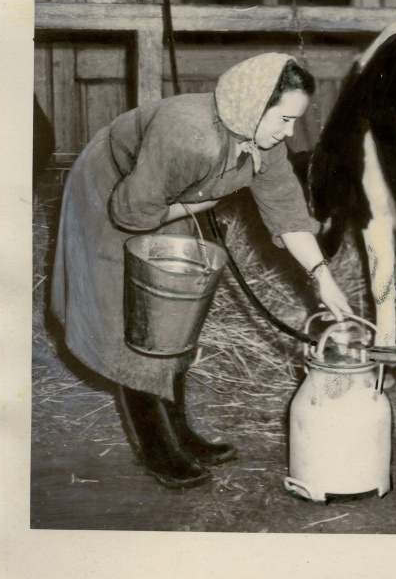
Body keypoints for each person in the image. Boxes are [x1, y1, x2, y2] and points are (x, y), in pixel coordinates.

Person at [51, 53, 349, 489]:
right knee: (135, 324)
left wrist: (324, 277)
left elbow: (287, 214)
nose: (288, 132)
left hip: (162, 196)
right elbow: (133, 211)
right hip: (111, 194)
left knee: (176, 314)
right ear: (254, 104)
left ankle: (181, 434)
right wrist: (199, 203)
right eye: (284, 119)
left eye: (294, 121)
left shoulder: (263, 143)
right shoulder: (190, 136)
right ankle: (156, 449)